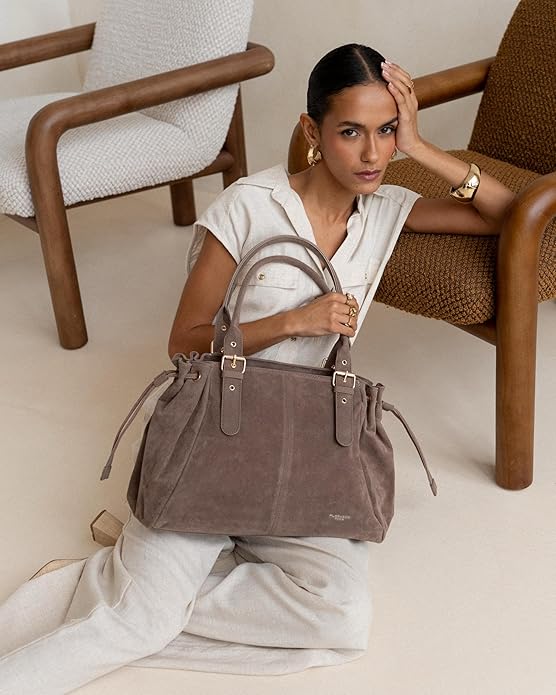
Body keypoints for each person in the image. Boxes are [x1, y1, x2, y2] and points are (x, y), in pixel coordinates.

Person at [0, 44, 515, 694]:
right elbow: (185, 342)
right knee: (134, 624)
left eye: (386, 131)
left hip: (306, 454)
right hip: (212, 442)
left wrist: (421, 146)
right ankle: (128, 608)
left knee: (342, 618)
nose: (372, 153)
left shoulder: (387, 210)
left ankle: (132, 592)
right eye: (350, 132)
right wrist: (292, 321)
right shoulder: (248, 206)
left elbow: (508, 214)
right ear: (311, 132)